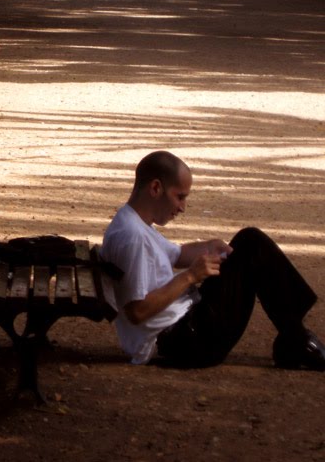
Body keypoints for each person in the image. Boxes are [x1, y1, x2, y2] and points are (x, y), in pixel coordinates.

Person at [101, 151, 325, 370]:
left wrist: (209, 246)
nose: (182, 208)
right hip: (186, 342)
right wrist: (190, 277)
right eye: (179, 197)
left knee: (247, 243)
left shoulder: (134, 222)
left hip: (187, 327)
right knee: (251, 242)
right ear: (156, 188)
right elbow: (137, 311)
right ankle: (295, 338)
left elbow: (177, 255)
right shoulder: (132, 237)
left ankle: (293, 335)